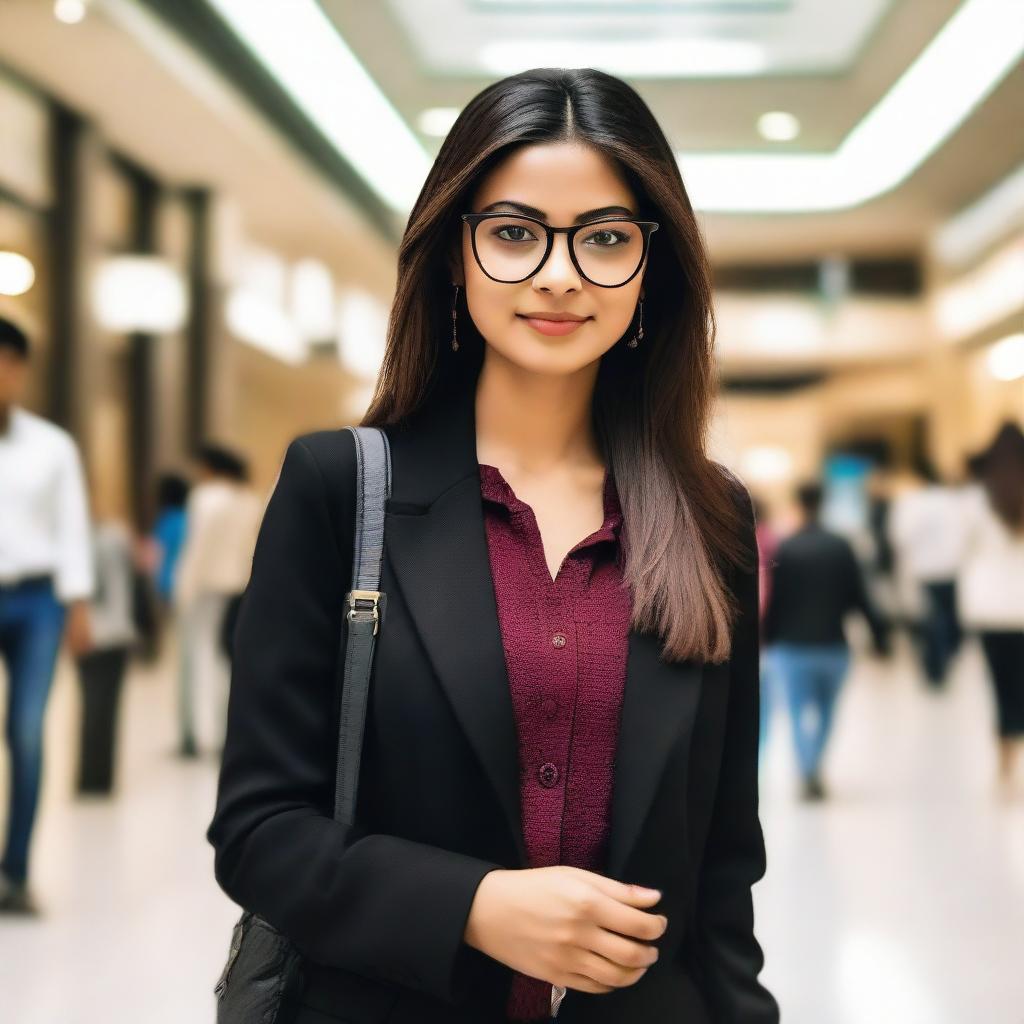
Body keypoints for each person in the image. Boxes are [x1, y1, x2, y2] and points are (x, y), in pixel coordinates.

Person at [208, 69, 778, 1023]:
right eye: (514, 233)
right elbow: (259, 831)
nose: (559, 274)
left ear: (652, 267)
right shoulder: (340, 490)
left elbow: (724, 870)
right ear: (452, 256)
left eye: (604, 238)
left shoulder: (708, 517)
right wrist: (474, 907)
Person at [0, 317, 94, 915]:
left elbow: (71, 528)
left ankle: (14, 872)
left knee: (28, 733)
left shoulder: (52, 446)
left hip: (37, 603)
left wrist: (78, 603)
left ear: (22, 370)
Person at [764, 480, 890, 801]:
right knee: (828, 711)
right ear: (825, 502)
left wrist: (765, 637)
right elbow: (859, 595)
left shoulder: (787, 548)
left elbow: (775, 601)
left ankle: (806, 769)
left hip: (791, 648)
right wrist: (879, 635)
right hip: (833, 645)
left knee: (794, 712)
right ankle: (815, 767)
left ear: (798, 503)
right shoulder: (842, 546)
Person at [173, 445, 262, 759]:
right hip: (239, 586)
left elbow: (195, 547)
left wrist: (182, 588)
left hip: (205, 587)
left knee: (198, 659)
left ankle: (198, 735)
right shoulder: (249, 500)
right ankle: (226, 733)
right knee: (227, 660)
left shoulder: (205, 498)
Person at [957, 422, 1024, 796]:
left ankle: (1005, 767)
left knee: (1001, 688)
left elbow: (963, 552)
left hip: (990, 611)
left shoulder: (976, 502)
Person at [74, 513, 139, 796]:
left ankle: (89, 779)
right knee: (107, 709)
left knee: (92, 708)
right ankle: (102, 778)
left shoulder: (86, 543)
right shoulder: (118, 536)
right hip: (119, 631)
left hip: (94, 633)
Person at [888, 459, 966, 688]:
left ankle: (934, 667)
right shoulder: (952, 502)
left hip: (923, 570)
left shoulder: (911, 503)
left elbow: (900, 537)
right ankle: (943, 661)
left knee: (931, 620)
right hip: (950, 568)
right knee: (946, 616)